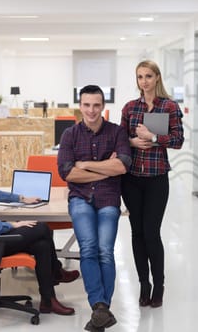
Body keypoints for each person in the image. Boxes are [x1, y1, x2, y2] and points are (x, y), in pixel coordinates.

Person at [0, 136, 80, 316]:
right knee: (43, 228)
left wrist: (21, 198)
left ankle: (48, 301)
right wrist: (14, 224)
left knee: (42, 245)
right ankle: (57, 272)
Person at [57, 85, 131, 332]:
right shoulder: (70, 135)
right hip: (79, 199)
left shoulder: (117, 133)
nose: (91, 110)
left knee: (104, 250)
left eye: (96, 105)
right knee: (88, 248)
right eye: (87, 105)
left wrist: (86, 165)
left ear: (103, 106)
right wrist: (104, 167)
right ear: (80, 106)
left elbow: (122, 167)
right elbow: (67, 172)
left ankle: (101, 309)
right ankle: (100, 307)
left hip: (109, 199)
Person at [120, 60, 184, 308]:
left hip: (157, 178)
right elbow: (120, 140)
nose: (143, 81)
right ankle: (143, 285)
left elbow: (178, 140)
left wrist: (153, 137)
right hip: (132, 178)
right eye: (139, 77)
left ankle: (159, 286)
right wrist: (133, 142)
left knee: (151, 233)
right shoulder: (129, 107)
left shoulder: (169, 106)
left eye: (148, 76)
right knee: (137, 233)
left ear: (157, 78)